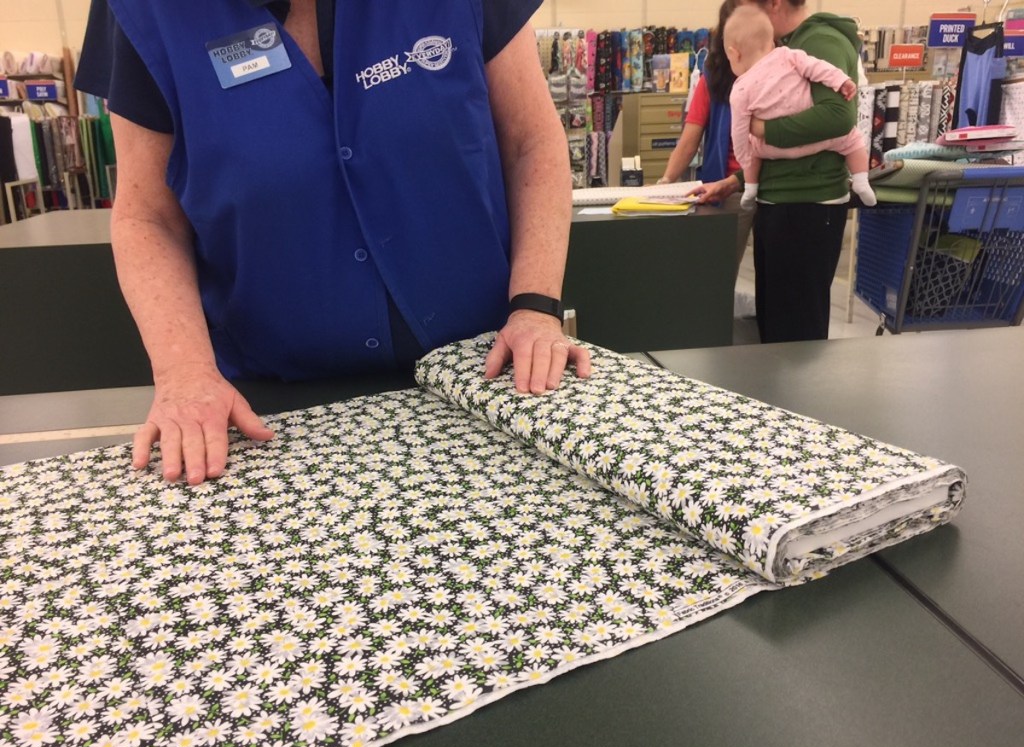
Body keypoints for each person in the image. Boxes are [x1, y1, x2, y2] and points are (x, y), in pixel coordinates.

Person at [75, 0, 591, 486]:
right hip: (274, 417)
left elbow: (532, 141)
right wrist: (184, 374)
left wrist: (535, 306)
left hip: (486, 376)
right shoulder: (144, 11)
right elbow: (149, 215)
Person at [735, 0, 861, 344]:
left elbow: (839, 115)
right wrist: (736, 181)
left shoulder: (820, 42)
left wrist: (762, 128)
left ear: (773, 4)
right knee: (777, 326)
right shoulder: (791, 45)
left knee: (796, 335)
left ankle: (797, 400)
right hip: (784, 201)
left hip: (807, 204)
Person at [724, 5, 875, 210]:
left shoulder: (818, 41)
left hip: (807, 197)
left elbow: (838, 116)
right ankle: (861, 180)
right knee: (853, 141)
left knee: (754, 150)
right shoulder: (788, 51)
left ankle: (750, 188)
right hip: (789, 190)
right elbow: (819, 69)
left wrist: (758, 134)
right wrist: (841, 81)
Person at [658, 0, 753, 275]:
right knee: (720, 271)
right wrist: (665, 183)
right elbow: (690, 138)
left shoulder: (776, 70)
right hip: (728, 188)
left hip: (768, 189)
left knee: (770, 281)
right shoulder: (714, 76)